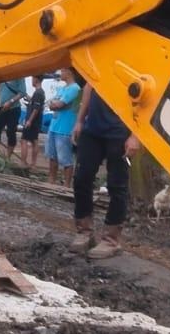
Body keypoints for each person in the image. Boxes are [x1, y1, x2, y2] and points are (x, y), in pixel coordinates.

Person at [69, 82, 139, 260]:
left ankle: (111, 239)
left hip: (120, 131)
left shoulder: (141, 60)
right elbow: (89, 86)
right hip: (93, 129)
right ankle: (84, 231)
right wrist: (79, 121)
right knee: (81, 178)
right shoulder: (103, 57)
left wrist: (136, 136)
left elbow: (150, 101)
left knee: (117, 185)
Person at [45, 69, 82, 185]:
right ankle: (51, 182)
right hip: (53, 127)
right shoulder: (62, 89)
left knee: (66, 160)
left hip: (65, 129)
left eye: (63, 71)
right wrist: (55, 104)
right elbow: (52, 103)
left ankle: (66, 185)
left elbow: (59, 104)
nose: (61, 74)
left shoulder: (75, 89)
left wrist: (56, 104)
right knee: (52, 157)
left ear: (69, 72)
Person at [0, 79, 26, 158]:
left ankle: (7, 158)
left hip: (14, 108)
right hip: (2, 108)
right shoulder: (4, 75)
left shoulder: (19, 76)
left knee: (11, 132)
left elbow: (23, 92)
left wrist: (11, 101)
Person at [19, 80, 45, 168]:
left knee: (24, 140)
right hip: (36, 121)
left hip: (32, 120)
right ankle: (33, 163)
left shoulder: (38, 92)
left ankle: (23, 162)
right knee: (34, 140)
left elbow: (36, 109)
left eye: (33, 79)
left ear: (36, 79)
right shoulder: (39, 92)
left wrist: (29, 120)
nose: (32, 81)